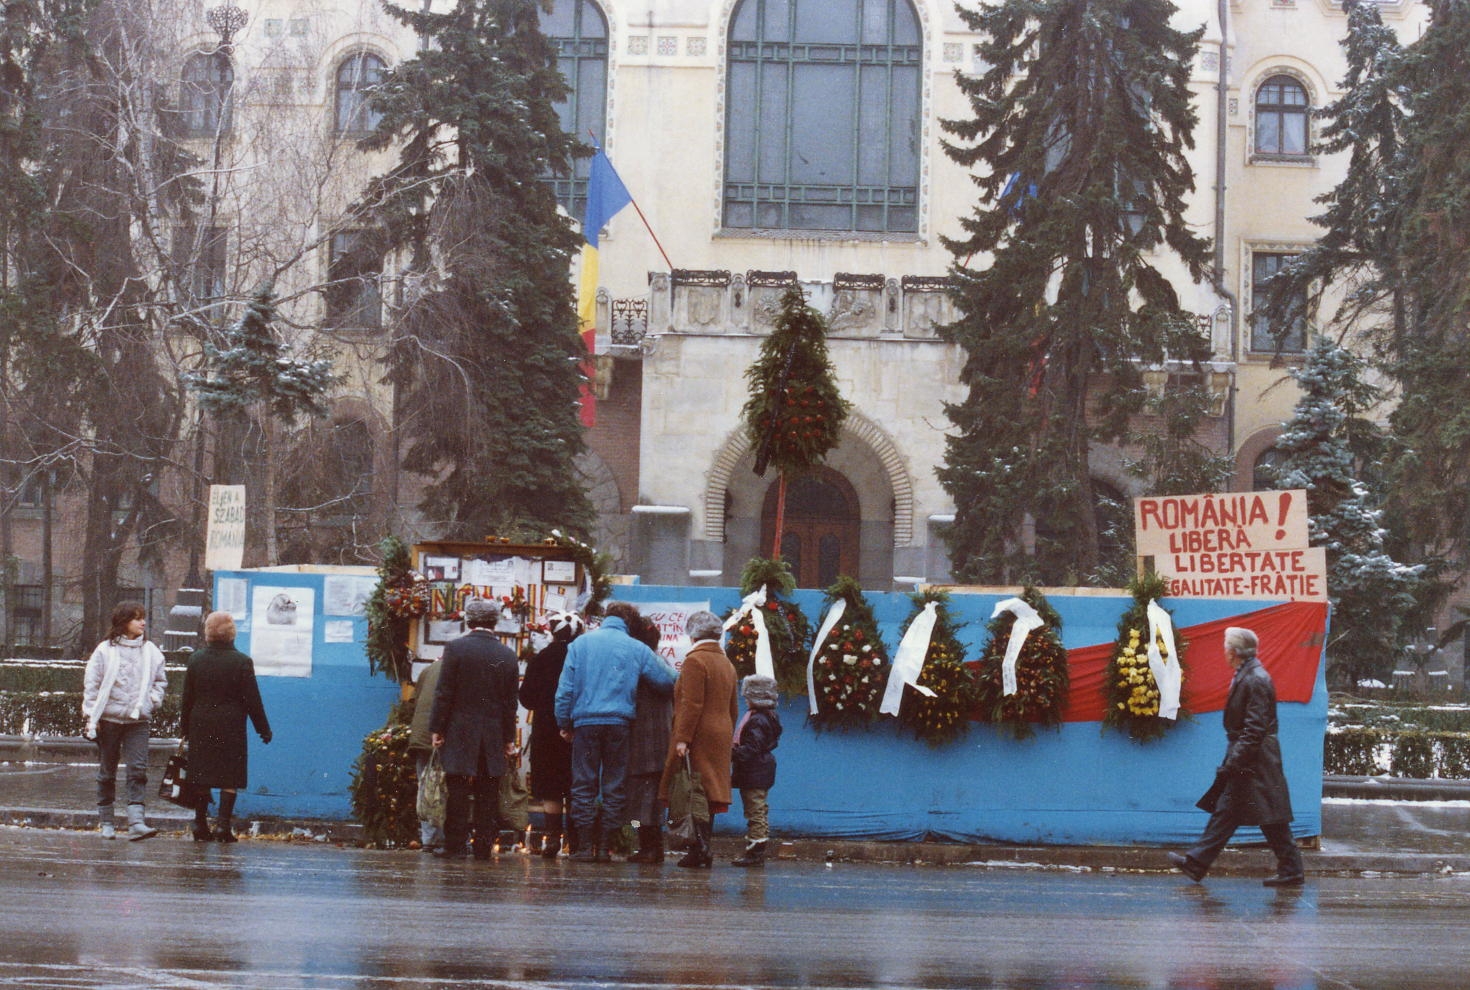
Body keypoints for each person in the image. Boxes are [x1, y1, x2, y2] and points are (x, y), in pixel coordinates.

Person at [1170, 626, 1306, 887]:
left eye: (1225, 647)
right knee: (1231, 809)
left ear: (1233, 652)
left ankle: (1291, 870)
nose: (1223, 651)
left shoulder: (1255, 678)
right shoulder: (1249, 674)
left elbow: (1254, 729)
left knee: (1266, 815)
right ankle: (1197, 863)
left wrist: (1234, 761)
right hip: (1252, 756)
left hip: (1255, 759)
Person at [555, 600, 678, 863]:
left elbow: (565, 691)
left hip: (585, 723)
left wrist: (565, 723)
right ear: (630, 624)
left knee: (583, 785)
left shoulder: (580, 645)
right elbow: (668, 681)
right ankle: (605, 848)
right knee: (614, 786)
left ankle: (585, 847)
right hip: (619, 724)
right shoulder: (637, 648)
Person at [429, 598, 520, 860]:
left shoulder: (456, 648)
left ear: (469, 621)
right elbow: (509, 702)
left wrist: (438, 727)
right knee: (488, 791)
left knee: (456, 787)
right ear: (495, 622)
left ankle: (455, 845)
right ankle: (483, 846)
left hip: (460, 730)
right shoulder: (507, 654)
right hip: (492, 732)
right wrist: (508, 739)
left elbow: (444, 692)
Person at [180, 611, 272, 842]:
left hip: (200, 722)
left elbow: (187, 699)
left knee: (202, 774)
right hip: (230, 724)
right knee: (229, 775)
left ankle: (200, 823)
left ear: (208, 633)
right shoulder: (241, 661)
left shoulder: (196, 659)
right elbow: (253, 700)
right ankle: (223, 826)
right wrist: (263, 729)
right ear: (231, 633)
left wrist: (184, 729)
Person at [82, 601, 169, 841]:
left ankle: (136, 822)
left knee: (138, 769)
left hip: (137, 720)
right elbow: (92, 684)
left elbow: (160, 680)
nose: (142, 622)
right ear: (123, 622)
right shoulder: (104, 650)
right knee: (107, 772)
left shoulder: (151, 650)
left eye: (143, 618)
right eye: (136, 618)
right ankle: (107, 821)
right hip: (109, 720)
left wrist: (151, 701)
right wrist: (92, 715)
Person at [659, 609, 738, 869]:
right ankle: (703, 847)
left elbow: (691, 704)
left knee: (693, 791)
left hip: (699, 733)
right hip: (720, 731)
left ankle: (699, 849)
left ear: (693, 635)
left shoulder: (695, 661)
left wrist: (682, 738)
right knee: (709, 793)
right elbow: (733, 707)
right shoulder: (726, 663)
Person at [519, 610, 584, 858]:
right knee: (577, 786)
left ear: (551, 632)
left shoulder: (540, 658)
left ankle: (553, 840)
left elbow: (525, 698)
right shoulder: (582, 657)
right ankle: (578, 842)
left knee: (551, 788)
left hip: (546, 731)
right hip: (577, 729)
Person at [626, 613, 676, 863]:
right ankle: (654, 846)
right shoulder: (663, 663)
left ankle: (647, 847)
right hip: (662, 738)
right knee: (655, 798)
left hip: (641, 739)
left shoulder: (638, 665)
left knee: (641, 800)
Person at [730, 673, 781, 868]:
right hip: (760, 770)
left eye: (747, 695)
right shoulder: (767, 717)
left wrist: (733, 753)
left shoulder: (757, 719)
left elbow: (752, 747)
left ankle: (755, 850)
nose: (744, 699)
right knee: (758, 809)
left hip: (754, 772)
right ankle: (756, 846)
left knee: (755, 811)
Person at [407, 655, 446, 852]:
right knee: (445, 787)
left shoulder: (428, 670)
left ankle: (429, 838)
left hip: (422, 736)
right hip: (441, 737)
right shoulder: (456, 671)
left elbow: (414, 699)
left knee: (426, 785)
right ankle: (442, 838)